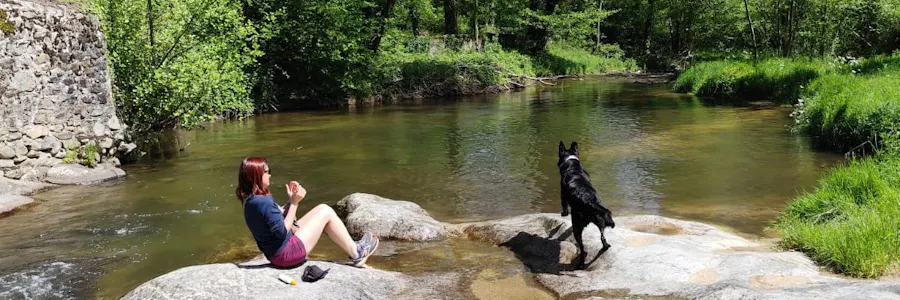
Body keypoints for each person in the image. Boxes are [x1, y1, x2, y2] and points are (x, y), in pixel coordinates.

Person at [236, 157, 379, 268]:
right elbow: (281, 232)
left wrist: (291, 200)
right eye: (267, 172)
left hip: (276, 253)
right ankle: (357, 253)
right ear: (256, 175)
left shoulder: (251, 199)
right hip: (286, 254)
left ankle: (354, 249)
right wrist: (294, 203)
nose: (270, 175)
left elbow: (275, 221)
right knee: (326, 212)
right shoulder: (263, 201)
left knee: (322, 209)